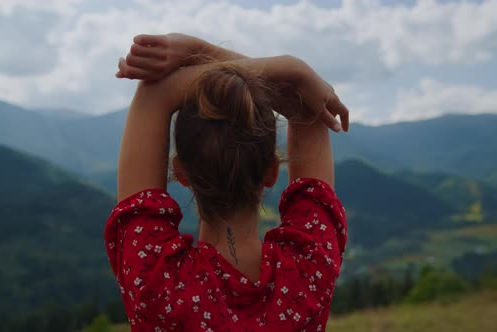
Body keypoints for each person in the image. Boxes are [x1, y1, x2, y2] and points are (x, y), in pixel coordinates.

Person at [105, 33, 349, 331]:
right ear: (271, 171)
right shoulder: (310, 269)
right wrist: (200, 51)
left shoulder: (157, 284)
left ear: (181, 173)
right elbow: (305, 104)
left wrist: (291, 69)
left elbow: (156, 95)